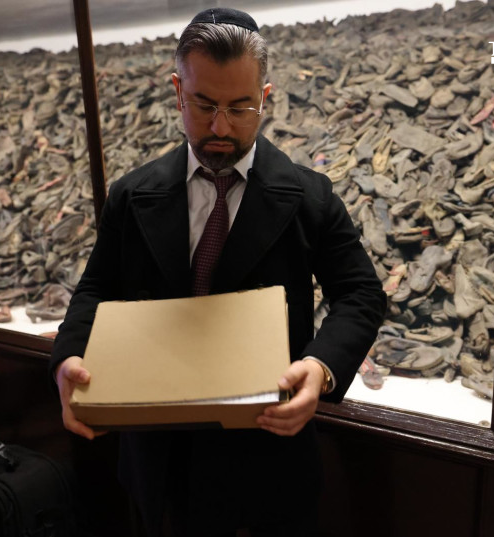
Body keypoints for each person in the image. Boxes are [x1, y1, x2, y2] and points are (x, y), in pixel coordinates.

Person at [49, 7, 386, 537]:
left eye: (241, 107)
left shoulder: (310, 197)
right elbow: (96, 287)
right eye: (204, 105)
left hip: (267, 460)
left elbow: (360, 293)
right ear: (178, 90)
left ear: (266, 99)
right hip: (158, 459)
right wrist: (67, 358)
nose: (221, 127)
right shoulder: (133, 195)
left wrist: (321, 369)